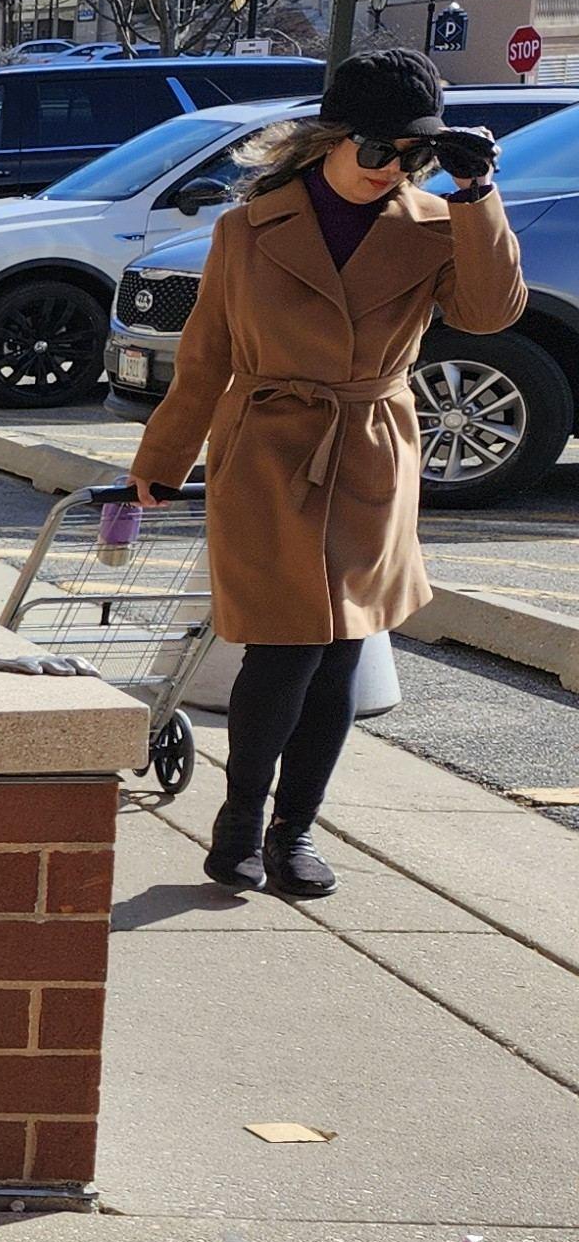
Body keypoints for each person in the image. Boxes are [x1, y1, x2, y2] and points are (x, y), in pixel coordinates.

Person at [129, 47, 519, 895]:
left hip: (369, 447)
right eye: (378, 149)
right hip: (266, 450)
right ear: (330, 139)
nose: (393, 169)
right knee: (283, 649)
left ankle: (294, 833)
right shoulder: (249, 227)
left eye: (413, 155)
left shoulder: (433, 225)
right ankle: (237, 823)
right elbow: (204, 361)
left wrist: (477, 196)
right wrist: (161, 461)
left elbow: (490, 315)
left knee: (341, 650)